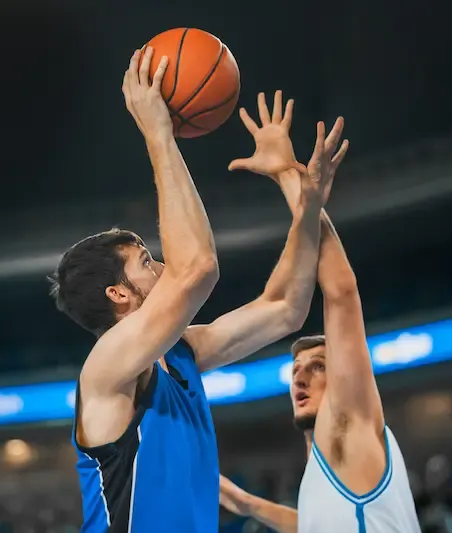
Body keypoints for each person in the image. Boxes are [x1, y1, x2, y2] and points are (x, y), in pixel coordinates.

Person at [49, 48, 338, 533]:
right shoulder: (106, 369)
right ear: (118, 294)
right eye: (145, 262)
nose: (162, 266)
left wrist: (301, 197)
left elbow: (286, 307)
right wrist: (158, 132)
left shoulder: (181, 353)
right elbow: (197, 268)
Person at [219, 94, 422, 532]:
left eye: (316, 366)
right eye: (296, 368)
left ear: (348, 374)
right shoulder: (335, 462)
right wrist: (247, 504)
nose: (299, 376)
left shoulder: (349, 423)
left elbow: (342, 292)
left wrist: (291, 181)